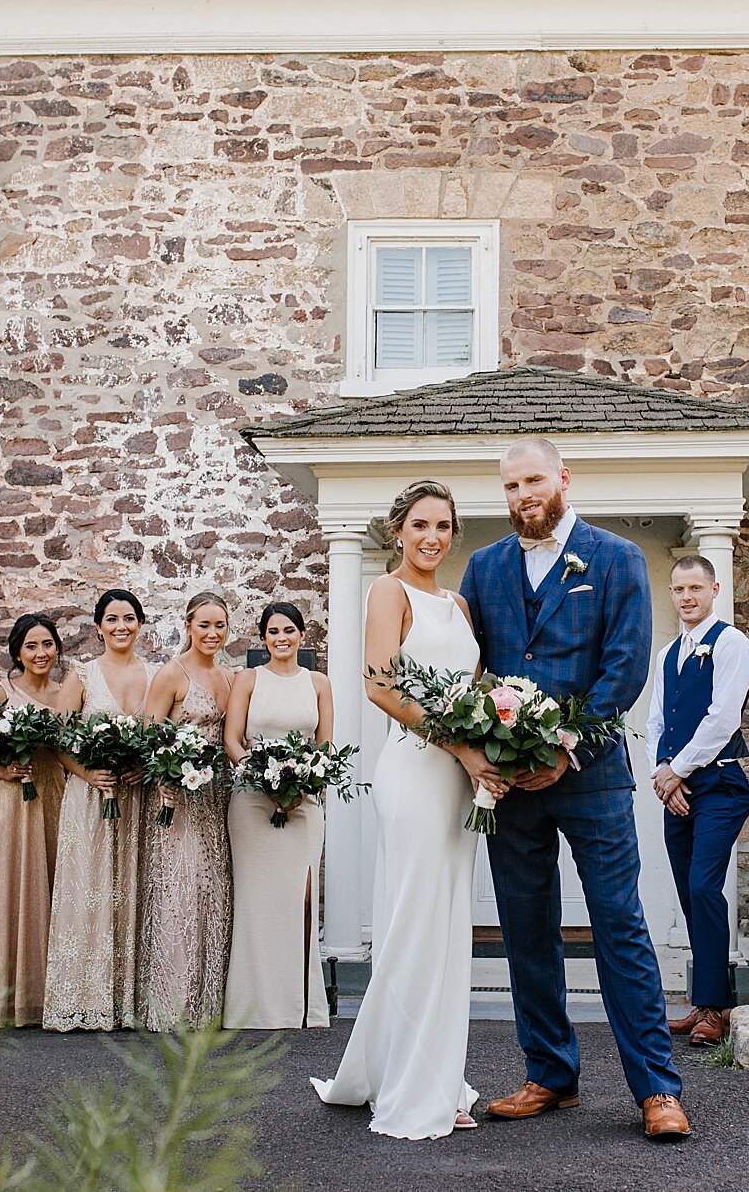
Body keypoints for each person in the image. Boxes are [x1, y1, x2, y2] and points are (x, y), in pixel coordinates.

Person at [458, 437, 688, 1143]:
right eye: (510, 486)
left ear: (562, 477)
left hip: (592, 778)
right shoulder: (485, 565)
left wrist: (566, 744)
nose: (523, 494)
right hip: (512, 785)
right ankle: (550, 1072)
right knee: (526, 929)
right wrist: (486, 747)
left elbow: (624, 668)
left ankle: (657, 1088)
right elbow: (472, 667)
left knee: (619, 923)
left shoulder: (615, 557)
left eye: (532, 479)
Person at [314, 481, 497, 1138]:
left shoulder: (459, 603)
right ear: (398, 528)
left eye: (444, 525)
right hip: (417, 771)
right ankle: (409, 1081)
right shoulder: (388, 592)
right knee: (415, 921)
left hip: (458, 776)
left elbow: (476, 689)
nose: (432, 536)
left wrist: (494, 739)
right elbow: (380, 685)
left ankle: (436, 1076)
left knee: (447, 925)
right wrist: (462, 748)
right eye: (420, 523)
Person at [647, 555, 749, 1048]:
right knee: (691, 895)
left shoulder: (732, 643)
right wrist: (661, 774)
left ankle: (718, 1006)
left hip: (721, 784)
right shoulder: (668, 653)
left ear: (714, 589)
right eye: (678, 590)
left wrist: (677, 771)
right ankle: (703, 1002)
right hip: (679, 786)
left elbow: (722, 717)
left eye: (696, 588)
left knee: (704, 887)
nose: (687, 597)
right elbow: (655, 721)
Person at [224, 601, 336, 1030]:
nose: (281, 638)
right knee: (257, 900)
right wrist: (261, 777)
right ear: (264, 638)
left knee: (302, 898)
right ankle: (254, 1007)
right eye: (273, 632)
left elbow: (325, 745)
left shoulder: (320, 683)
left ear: (302, 636)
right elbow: (233, 739)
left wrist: (304, 784)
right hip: (252, 799)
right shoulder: (247, 680)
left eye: (289, 630)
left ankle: (302, 1006)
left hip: (304, 801)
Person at [45, 589, 148, 1032]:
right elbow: (59, 739)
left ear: (140, 624)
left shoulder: (155, 672)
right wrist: (88, 774)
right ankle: (80, 997)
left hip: (132, 798)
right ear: (99, 626)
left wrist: (142, 768)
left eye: (128, 618)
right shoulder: (82, 676)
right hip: (89, 797)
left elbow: (160, 734)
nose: (120, 626)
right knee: (87, 889)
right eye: (112, 619)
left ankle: (123, 1000)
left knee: (128, 889)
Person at [138, 591, 236, 1032]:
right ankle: (172, 1004)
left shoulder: (230, 677)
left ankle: (206, 1004)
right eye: (204, 625)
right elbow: (150, 733)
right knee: (179, 892)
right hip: (177, 797)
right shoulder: (171, 674)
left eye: (220, 626)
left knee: (213, 891)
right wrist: (165, 780)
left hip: (217, 798)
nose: (212, 634)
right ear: (188, 626)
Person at [0, 612, 74, 1029]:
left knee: (51, 888)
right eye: (31, 646)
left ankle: (46, 995)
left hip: (53, 793)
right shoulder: (0, 694)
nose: (40, 653)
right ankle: (3, 999)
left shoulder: (66, 694)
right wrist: (4, 772)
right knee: (10, 888)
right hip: (11, 798)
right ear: (16, 652)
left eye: (47, 644)